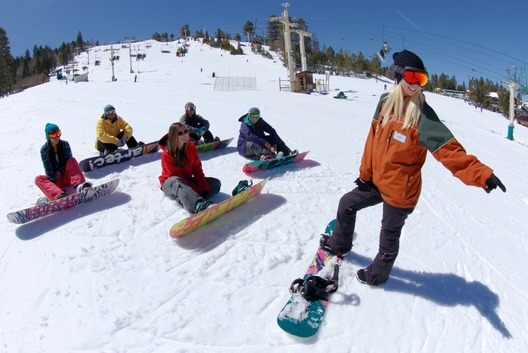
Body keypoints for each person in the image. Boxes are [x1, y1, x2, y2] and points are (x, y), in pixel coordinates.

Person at [320, 50, 506, 286]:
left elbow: (450, 152)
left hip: (401, 189)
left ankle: (377, 275)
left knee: (388, 235)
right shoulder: (385, 103)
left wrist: (482, 175)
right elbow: (373, 141)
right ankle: (339, 245)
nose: (416, 85)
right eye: (412, 77)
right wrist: (365, 175)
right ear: (398, 76)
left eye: (422, 80)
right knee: (347, 204)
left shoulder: (423, 117)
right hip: (378, 181)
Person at [158, 122, 221, 214]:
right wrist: (198, 190)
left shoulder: (191, 147)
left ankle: (187, 197)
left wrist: (204, 189)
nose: (184, 135)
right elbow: (177, 177)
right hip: (170, 183)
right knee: (176, 180)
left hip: (187, 180)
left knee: (215, 183)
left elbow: (197, 169)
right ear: (173, 136)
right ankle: (197, 205)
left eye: (185, 131)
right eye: (180, 133)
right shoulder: (167, 154)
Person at [35, 123, 92, 201]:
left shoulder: (65, 144)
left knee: (72, 161)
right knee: (38, 179)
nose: (56, 137)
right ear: (48, 136)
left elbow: (68, 162)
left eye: (58, 134)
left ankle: (79, 186)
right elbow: (48, 168)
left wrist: (59, 171)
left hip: (68, 178)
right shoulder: (44, 150)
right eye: (53, 135)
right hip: (55, 181)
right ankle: (58, 195)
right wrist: (54, 185)